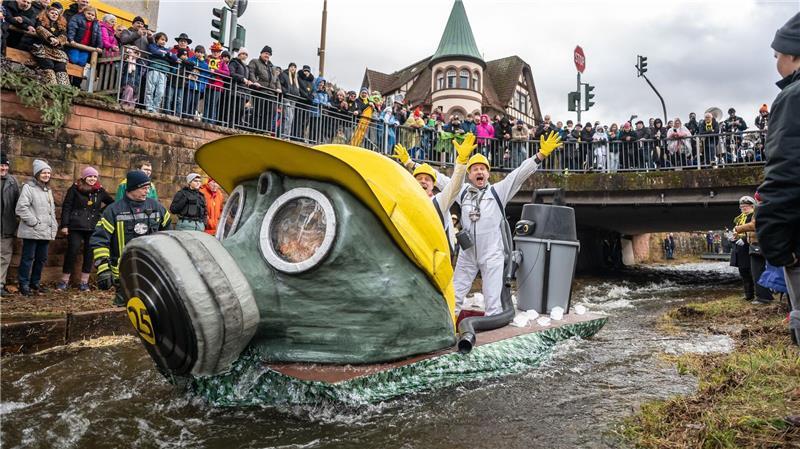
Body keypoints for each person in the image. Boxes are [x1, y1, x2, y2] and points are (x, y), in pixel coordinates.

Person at [453, 132, 562, 316]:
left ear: (488, 173)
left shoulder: (498, 191)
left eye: (483, 169)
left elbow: (518, 174)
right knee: (455, 295)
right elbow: (440, 181)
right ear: (469, 175)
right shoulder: (461, 192)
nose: (479, 172)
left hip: (492, 255)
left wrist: (540, 155)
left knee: (492, 302)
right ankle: (448, 329)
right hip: (467, 255)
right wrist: (411, 164)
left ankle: (491, 334)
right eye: (475, 169)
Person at [755, 11, 800, 350]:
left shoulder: (792, 97)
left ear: (794, 55)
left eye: (777, 55)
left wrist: (775, 245)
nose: (776, 62)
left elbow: (786, 172)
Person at [91, 170, 170, 305]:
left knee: (152, 310)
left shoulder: (156, 207)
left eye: (148, 188)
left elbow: (168, 235)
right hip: (123, 273)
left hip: (151, 270)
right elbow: (100, 240)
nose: (147, 191)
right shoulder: (113, 211)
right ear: (132, 188)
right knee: (124, 309)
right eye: (143, 188)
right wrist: (103, 268)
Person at [393, 134, 476, 253]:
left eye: (427, 179)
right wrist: (409, 163)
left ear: (433, 185)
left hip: (438, 260)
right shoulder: (406, 202)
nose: (423, 181)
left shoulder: (439, 202)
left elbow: (454, 186)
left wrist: (461, 163)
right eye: (419, 178)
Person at [56, 166, 113, 291]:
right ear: (84, 177)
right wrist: (64, 225)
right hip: (76, 226)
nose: (92, 179)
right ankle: (64, 281)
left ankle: (84, 282)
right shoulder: (75, 188)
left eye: (94, 176)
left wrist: (100, 214)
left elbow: (112, 203)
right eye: (90, 176)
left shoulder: (100, 191)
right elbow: (67, 206)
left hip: (92, 227)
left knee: (89, 254)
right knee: (72, 251)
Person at [15, 159, 57, 296]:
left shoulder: (48, 189)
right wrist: (34, 222)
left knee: (41, 259)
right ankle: (23, 283)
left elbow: (51, 211)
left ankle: (35, 283)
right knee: (28, 258)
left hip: (45, 232)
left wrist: (53, 226)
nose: (46, 175)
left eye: (48, 173)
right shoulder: (28, 187)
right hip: (32, 231)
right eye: (43, 172)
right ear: (37, 173)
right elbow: (21, 208)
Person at [734, 193, 773, 304]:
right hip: (758, 244)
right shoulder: (768, 208)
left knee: (757, 271)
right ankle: (764, 295)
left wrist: (738, 229)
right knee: (761, 270)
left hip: (758, 244)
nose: (743, 208)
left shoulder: (760, 210)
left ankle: (763, 297)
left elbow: (754, 225)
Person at [31, 4, 69, 85]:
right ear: (47, 13)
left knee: (61, 67)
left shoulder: (60, 26)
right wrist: (51, 38)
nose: (54, 15)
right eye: (52, 13)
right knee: (49, 65)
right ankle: (51, 87)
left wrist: (58, 41)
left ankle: (65, 90)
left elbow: (64, 35)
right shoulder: (40, 21)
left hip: (57, 51)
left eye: (56, 14)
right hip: (42, 48)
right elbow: (39, 29)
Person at [730, 196, 757, 301]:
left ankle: (756, 294)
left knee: (752, 272)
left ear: (751, 206)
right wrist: (734, 237)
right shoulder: (740, 218)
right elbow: (738, 232)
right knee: (743, 272)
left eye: (745, 207)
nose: (743, 209)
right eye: (742, 207)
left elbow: (754, 231)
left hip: (750, 247)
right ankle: (748, 295)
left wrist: (745, 239)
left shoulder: (753, 216)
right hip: (740, 248)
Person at [0, 152, 20, 295]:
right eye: (1, 165)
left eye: (6, 165)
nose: (4, 168)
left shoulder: (13, 181)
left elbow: (19, 203)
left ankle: (0, 284)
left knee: (4, 256)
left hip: (6, 225)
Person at [144, 32, 177, 113]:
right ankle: (148, 107)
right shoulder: (152, 46)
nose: (164, 42)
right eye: (162, 39)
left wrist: (166, 53)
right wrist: (165, 55)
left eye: (165, 40)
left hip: (163, 73)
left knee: (160, 92)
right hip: (153, 69)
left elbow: (174, 58)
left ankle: (155, 108)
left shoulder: (167, 50)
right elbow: (154, 52)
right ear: (156, 39)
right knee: (150, 90)